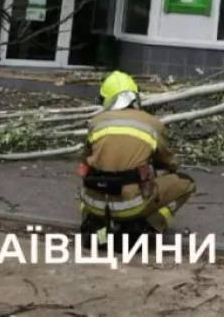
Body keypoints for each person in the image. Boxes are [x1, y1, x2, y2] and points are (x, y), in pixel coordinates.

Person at [77, 71, 195, 240]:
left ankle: (95, 226)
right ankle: (149, 226)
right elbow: (168, 162)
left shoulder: (95, 123)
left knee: (85, 179)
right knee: (186, 183)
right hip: (130, 205)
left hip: (94, 203)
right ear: (135, 97)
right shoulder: (152, 123)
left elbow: (85, 158)